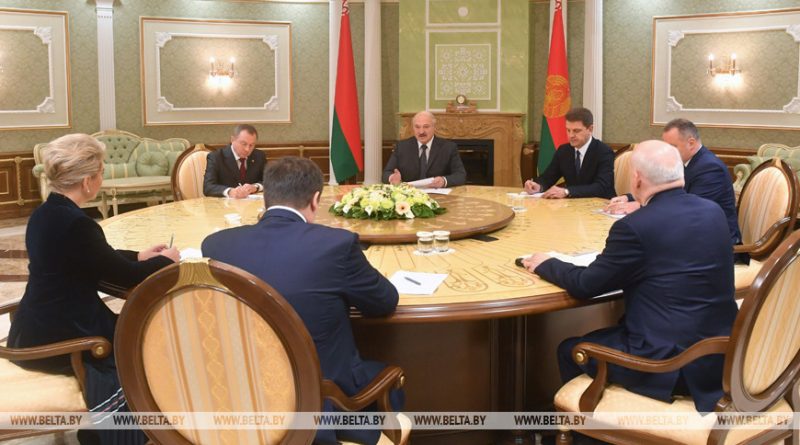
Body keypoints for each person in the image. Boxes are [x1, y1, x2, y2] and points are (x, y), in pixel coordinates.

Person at [522, 140, 737, 413]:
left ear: (636, 179)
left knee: (571, 349)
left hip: (670, 363)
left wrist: (547, 263)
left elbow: (585, 285)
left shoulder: (635, 227)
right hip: (721, 353)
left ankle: (589, 432)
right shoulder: (712, 212)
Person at [202, 157, 403, 444]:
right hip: (320, 398)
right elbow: (384, 302)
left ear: (266, 197)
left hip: (241, 395)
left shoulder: (216, 245)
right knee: (389, 379)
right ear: (316, 199)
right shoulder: (337, 245)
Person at [8, 134, 179, 445]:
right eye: (101, 172)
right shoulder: (78, 224)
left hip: (34, 325)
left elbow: (95, 258)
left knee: (134, 331)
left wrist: (140, 255)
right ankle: (118, 433)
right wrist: (166, 261)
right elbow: (125, 277)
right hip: (60, 336)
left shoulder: (47, 213)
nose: (102, 178)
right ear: (87, 181)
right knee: (143, 341)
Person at [606, 119, 743, 254]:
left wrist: (639, 206)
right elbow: (663, 190)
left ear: (691, 143)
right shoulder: (683, 162)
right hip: (686, 233)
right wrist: (630, 198)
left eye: (672, 147)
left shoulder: (710, 168)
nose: (667, 152)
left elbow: (689, 209)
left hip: (712, 245)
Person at [524, 107, 615, 199]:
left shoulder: (604, 152)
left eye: (576, 131)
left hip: (601, 204)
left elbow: (601, 187)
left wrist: (567, 191)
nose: (571, 135)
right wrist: (538, 186)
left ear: (590, 129)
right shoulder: (564, 151)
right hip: (572, 204)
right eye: (568, 130)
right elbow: (547, 178)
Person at [382, 110, 466, 188]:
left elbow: (461, 175)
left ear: (434, 127)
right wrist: (392, 177)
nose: (421, 132)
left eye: (426, 127)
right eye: (417, 127)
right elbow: (386, 173)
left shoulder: (448, 147)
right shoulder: (402, 147)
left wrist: (444, 181)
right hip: (410, 194)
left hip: (438, 194)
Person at [203, 124, 266, 198]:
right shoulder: (216, 157)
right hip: (225, 204)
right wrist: (230, 191)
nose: (247, 149)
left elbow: (269, 181)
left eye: (251, 145)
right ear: (232, 140)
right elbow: (208, 187)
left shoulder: (259, 156)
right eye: (244, 144)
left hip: (251, 203)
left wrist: (256, 187)